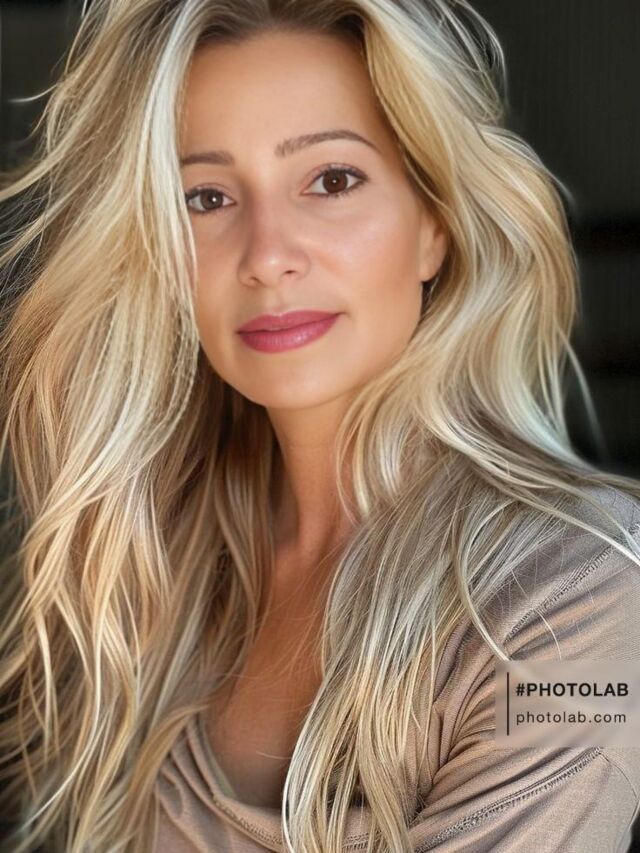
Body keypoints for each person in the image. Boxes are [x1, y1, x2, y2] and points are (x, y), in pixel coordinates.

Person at [0, 0, 639, 851]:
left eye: (332, 180)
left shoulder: (579, 585)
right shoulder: (150, 561)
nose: (268, 255)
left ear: (435, 224)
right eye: (206, 197)